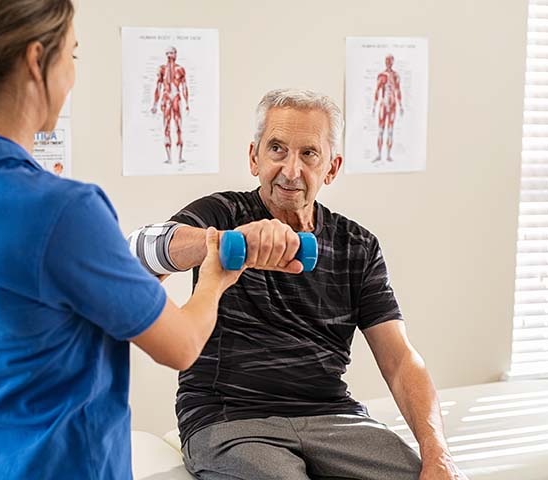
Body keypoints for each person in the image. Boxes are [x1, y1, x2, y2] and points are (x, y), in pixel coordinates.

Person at [0, 1, 242, 478]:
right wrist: (214, 278)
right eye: (72, 55)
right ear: (35, 59)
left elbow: (36, 301)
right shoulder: (63, 209)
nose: (72, 76)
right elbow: (182, 345)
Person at [129, 89, 468, 480]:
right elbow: (137, 252)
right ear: (254, 157)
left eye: (309, 154)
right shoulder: (222, 214)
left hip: (332, 416)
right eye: (277, 149)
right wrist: (227, 242)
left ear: (331, 168)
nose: (291, 170)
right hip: (231, 417)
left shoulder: (357, 246)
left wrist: (438, 453)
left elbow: (400, 359)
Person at [150, 46, 189, 164]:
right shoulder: (162, 69)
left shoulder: (180, 69)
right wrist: (155, 104)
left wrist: (187, 103)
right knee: (166, 126)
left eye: (171, 53)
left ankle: (180, 157)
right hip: (166, 98)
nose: (169, 56)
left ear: (175, 54)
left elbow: (184, 87)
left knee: (178, 126)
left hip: (176, 98)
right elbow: (158, 87)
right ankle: (169, 158)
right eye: (167, 53)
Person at [372, 54, 404, 163]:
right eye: (387, 61)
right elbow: (377, 90)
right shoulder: (382, 75)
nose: (388, 63)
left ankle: (388, 155)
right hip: (384, 105)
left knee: (390, 131)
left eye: (390, 61)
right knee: (381, 130)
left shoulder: (396, 76)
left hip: (393, 104)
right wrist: (374, 105)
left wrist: (400, 105)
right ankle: (379, 154)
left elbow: (398, 90)